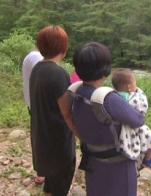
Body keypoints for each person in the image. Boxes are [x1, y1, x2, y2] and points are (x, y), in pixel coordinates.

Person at [70, 42, 145, 196]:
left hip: (93, 160)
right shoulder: (108, 98)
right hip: (118, 164)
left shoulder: (75, 91)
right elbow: (138, 120)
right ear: (105, 70)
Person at [29, 25, 78, 196]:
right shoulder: (58, 73)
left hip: (42, 138)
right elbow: (66, 112)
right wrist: (82, 136)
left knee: (50, 184)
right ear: (63, 48)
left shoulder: (37, 68)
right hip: (58, 143)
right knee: (60, 185)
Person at [111, 68, 151, 172]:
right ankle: (148, 159)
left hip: (119, 127)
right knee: (146, 132)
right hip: (131, 127)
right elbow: (141, 112)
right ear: (129, 87)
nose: (137, 87)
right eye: (135, 84)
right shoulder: (132, 97)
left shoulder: (113, 96)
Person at [22, 47, 46, 185]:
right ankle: (43, 173)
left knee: (39, 138)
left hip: (33, 104)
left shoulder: (30, 56)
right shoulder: (37, 58)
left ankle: (42, 171)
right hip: (40, 105)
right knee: (43, 139)